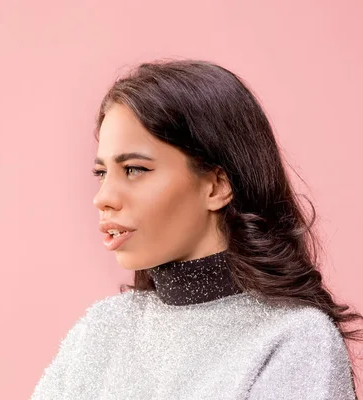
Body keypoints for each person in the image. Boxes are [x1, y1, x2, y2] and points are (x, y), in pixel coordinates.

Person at [30, 59, 362, 399]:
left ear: (216, 186)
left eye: (133, 169)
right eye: (102, 173)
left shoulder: (294, 340)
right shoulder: (100, 330)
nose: (104, 198)